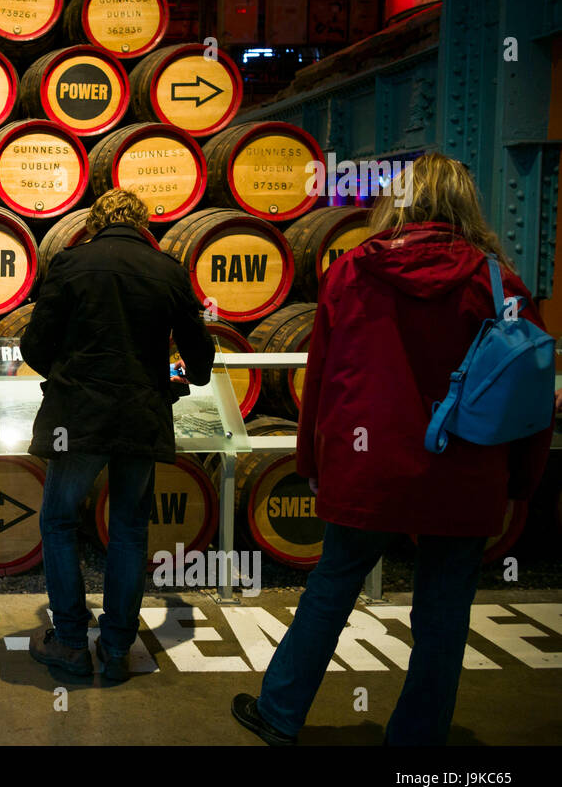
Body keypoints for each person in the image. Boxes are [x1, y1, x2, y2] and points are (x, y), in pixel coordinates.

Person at [231, 153, 554, 746]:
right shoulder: (498, 283)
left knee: (330, 590)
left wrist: (313, 463)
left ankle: (279, 713)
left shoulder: (352, 271)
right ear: (464, 203)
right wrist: (520, 484)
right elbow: (529, 393)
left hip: (368, 467)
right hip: (463, 471)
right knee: (443, 614)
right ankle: (416, 742)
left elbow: (322, 380)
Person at [20, 188, 215, 681]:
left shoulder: (70, 264)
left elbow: (35, 345)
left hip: (77, 418)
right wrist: (175, 376)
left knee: (60, 522)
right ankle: (116, 647)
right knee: (129, 530)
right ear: (143, 223)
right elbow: (201, 359)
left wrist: (67, 374)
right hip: (139, 415)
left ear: (96, 222)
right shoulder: (168, 270)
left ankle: (68, 641)